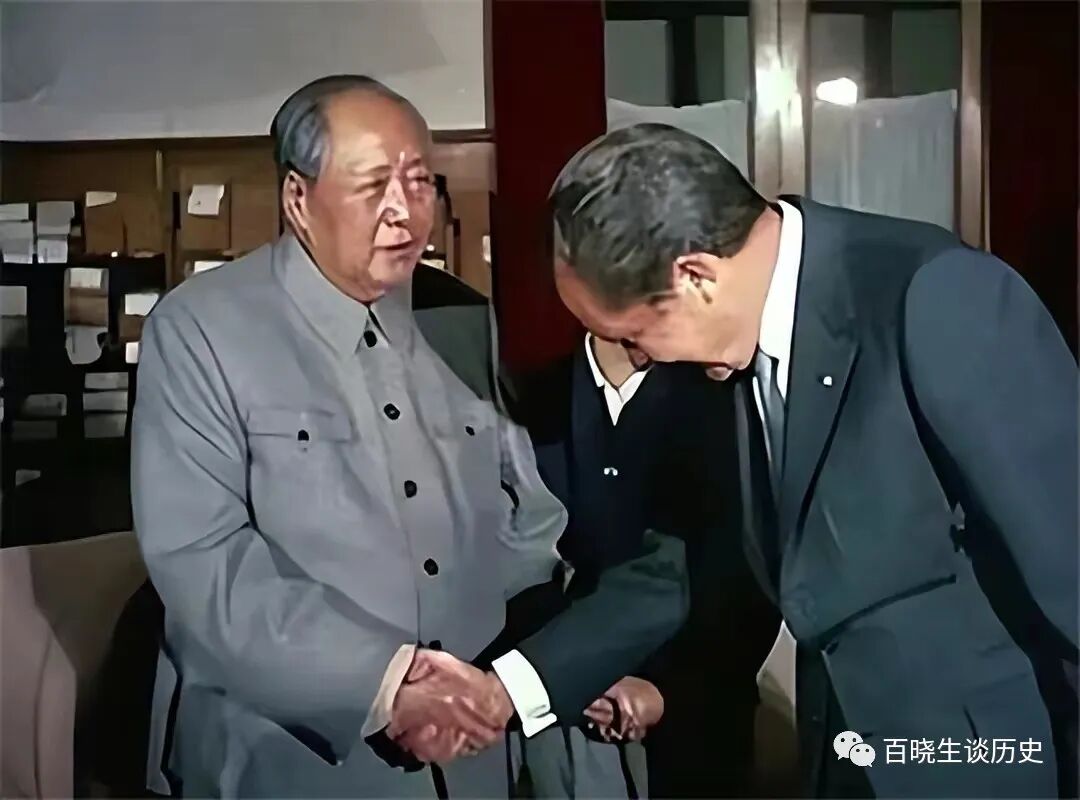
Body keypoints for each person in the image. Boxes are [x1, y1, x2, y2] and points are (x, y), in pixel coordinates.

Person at [130, 78, 688, 798]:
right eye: (372, 185)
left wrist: (561, 664)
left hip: (473, 750)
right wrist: (385, 684)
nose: (404, 209)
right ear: (298, 198)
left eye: (420, 181)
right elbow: (205, 562)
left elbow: (529, 525)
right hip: (293, 755)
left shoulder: (463, 322)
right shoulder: (201, 330)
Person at [545, 122, 1079, 798]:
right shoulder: (725, 359)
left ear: (696, 276)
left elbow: (1069, 575)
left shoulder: (937, 295)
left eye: (633, 335)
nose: (641, 359)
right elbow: (685, 562)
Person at [509, 334, 779, 798]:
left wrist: (667, 693)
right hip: (568, 722)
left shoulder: (731, 397)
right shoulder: (527, 398)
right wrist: (578, 673)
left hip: (701, 720)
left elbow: (750, 579)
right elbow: (512, 561)